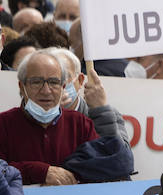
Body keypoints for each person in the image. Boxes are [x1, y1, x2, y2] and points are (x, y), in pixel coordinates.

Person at [0, 50, 103, 185]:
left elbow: (100, 168)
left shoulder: (81, 124)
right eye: (36, 82)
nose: (46, 90)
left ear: (63, 87)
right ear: (22, 86)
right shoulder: (3, 124)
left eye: (54, 82)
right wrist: (40, 172)